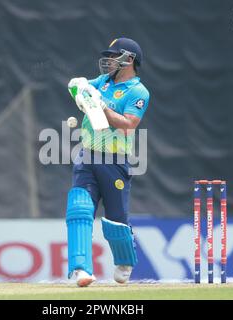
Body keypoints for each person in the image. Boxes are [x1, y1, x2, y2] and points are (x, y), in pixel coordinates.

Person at [66, 38, 150, 287]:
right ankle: (80, 268)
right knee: (79, 209)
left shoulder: (138, 91)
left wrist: (102, 108)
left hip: (115, 161)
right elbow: (79, 91)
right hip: (87, 155)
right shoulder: (102, 81)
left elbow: (128, 124)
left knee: (116, 219)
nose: (109, 60)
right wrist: (78, 87)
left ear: (129, 60)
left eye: (115, 56)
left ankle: (124, 260)